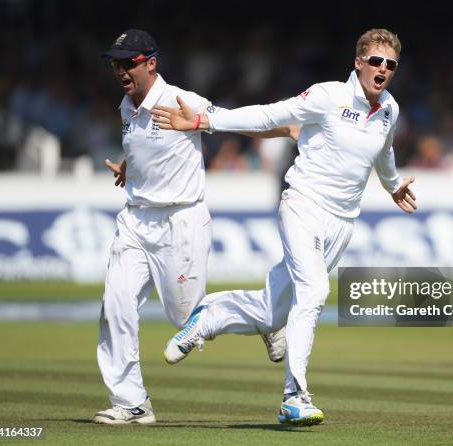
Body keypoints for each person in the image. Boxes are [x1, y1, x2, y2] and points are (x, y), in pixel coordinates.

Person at [152, 28, 417, 426]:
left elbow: (385, 151)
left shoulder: (390, 109)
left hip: (342, 223)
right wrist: (205, 121)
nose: (383, 69)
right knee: (314, 293)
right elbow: (269, 114)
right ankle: (295, 397)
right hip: (303, 204)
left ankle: (207, 317)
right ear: (359, 62)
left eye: (390, 64)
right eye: (376, 61)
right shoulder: (328, 95)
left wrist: (393, 185)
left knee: (273, 311)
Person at [95, 29, 294, 425]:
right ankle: (132, 403)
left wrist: (286, 129)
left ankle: (264, 318)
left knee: (186, 316)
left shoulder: (180, 100)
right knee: (115, 306)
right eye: (116, 63)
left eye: (129, 62)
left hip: (181, 220)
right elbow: (143, 145)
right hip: (135, 220)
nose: (121, 70)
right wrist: (128, 168)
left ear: (151, 63)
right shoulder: (126, 105)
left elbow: (235, 122)